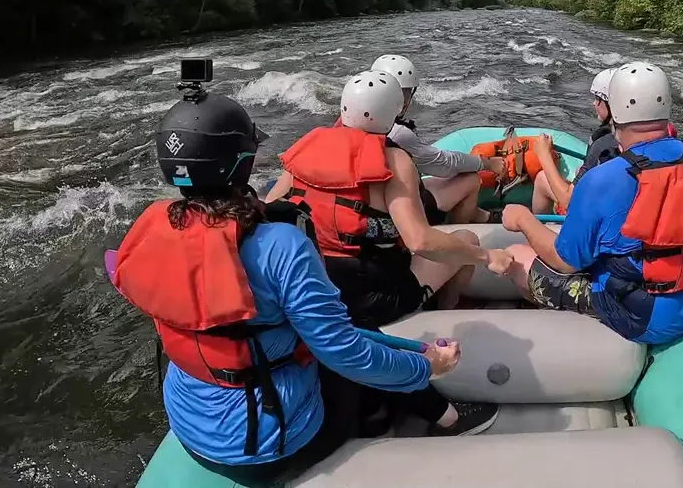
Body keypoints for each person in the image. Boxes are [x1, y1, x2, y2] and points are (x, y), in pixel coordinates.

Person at [110, 65, 463, 487]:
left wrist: (413, 351)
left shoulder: (148, 232)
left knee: (319, 338)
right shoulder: (280, 245)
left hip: (191, 432)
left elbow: (119, 268)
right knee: (354, 366)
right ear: (243, 162)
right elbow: (346, 352)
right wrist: (425, 367)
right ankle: (422, 421)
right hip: (272, 444)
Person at [265, 70, 513, 436]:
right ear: (393, 114)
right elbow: (421, 241)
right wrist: (486, 258)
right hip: (376, 294)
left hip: (314, 289)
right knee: (467, 241)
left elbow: (270, 210)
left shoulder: (307, 147)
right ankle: (442, 311)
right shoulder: (394, 162)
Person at [491, 62, 683, 345]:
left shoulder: (603, 179)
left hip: (644, 318)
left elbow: (563, 262)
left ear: (615, 113)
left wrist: (523, 219)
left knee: (517, 255)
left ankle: (558, 327)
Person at [371, 54, 507, 225]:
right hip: (398, 211)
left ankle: (482, 216)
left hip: (375, 202)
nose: (405, 101)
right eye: (403, 94)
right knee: (471, 180)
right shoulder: (398, 133)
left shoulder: (354, 120)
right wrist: (488, 163)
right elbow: (444, 164)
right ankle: (459, 234)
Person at [529, 68, 620, 215]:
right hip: (620, 211)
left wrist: (544, 155)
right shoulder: (656, 140)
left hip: (598, 219)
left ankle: (546, 230)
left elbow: (569, 200)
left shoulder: (604, 146)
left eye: (599, 99)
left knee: (540, 181)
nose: (594, 104)